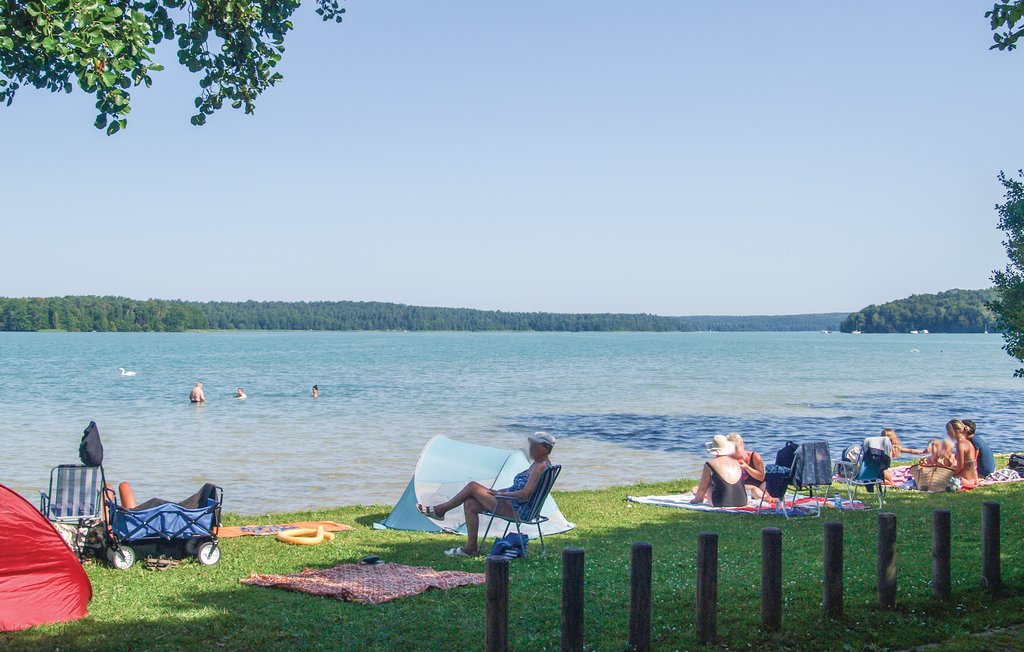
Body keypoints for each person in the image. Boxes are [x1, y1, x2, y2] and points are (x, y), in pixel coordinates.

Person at [416, 432, 555, 558]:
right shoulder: (540, 465)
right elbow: (519, 489)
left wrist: (500, 494)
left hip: (518, 510)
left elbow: (525, 494)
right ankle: (471, 548)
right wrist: (499, 492)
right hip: (513, 504)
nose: (529, 447)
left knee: (472, 486)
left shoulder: (539, 467)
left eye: (533, 444)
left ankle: (441, 510)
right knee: (470, 504)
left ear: (544, 448)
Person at [690, 434, 747, 508]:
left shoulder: (710, 464)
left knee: (708, 484)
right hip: (742, 501)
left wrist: (695, 500)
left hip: (721, 502)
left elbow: (702, 488)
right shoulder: (736, 462)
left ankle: (699, 499)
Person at [726, 433, 766, 499]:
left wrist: (746, 467)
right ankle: (764, 498)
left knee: (768, 487)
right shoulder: (729, 459)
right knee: (754, 490)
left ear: (742, 444)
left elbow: (761, 477)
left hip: (760, 485)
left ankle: (766, 498)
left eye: (736, 448)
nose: (733, 451)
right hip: (745, 487)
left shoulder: (754, 456)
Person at [946, 419, 979, 489]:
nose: (948, 434)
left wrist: (948, 473)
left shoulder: (961, 444)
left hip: (966, 480)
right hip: (973, 479)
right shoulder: (967, 442)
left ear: (956, 431)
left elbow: (960, 467)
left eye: (949, 431)